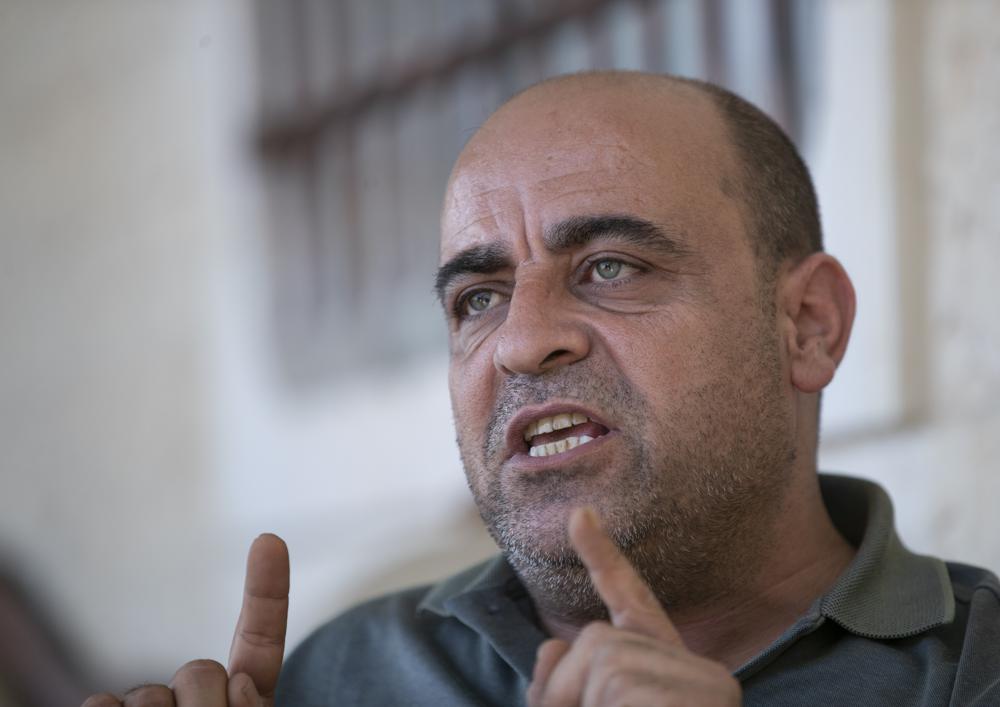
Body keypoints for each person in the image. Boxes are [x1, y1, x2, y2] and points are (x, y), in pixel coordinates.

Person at [83, 72, 1000, 707]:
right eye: (478, 298)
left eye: (610, 266)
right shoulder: (345, 673)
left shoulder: (976, 669)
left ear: (808, 325)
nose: (521, 342)